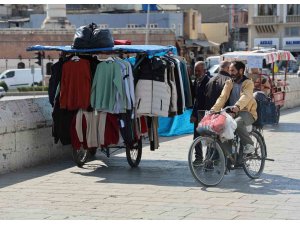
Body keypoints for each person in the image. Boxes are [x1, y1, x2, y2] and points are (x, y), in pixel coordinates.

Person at [211, 61, 257, 154]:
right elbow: (222, 97)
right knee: (221, 127)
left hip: (247, 112)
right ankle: (228, 155)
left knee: (237, 123)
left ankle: (249, 145)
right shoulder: (229, 82)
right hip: (232, 112)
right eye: (229, 70)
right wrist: (214, 109)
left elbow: (246, 96)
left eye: (233, 70)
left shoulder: (248, 83)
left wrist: (237, 106)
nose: (230, 73)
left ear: (240, 71)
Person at [190, 61, 211, 165]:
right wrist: (193, 114)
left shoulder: (209, 82)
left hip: (206, 114)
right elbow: (196, 100)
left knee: (208, 138)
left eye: (199, 71)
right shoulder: (196, 81)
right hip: (198, 113)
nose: (196, 73)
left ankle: (208, 159)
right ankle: (198, 158)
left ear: (204, 71)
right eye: (195, 71)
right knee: (196, 137)